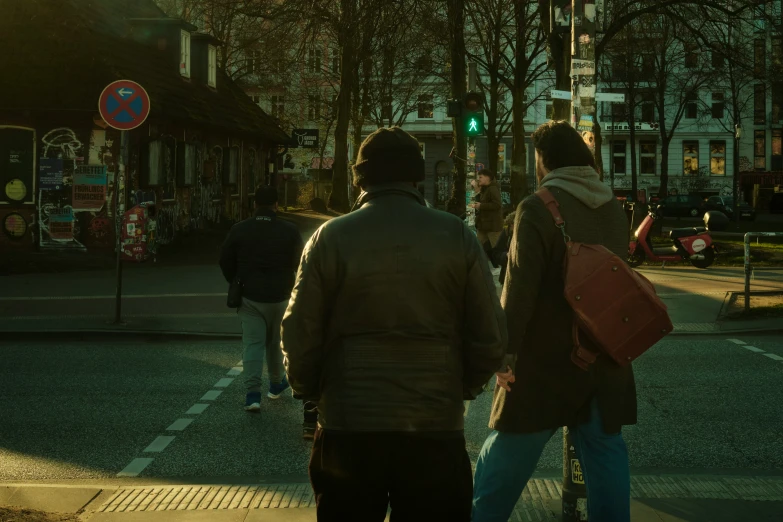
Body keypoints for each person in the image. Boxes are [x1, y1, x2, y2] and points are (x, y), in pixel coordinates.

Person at [281, 126, 506, 522]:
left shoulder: (329, 237)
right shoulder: (456, 235)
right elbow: (489, 332)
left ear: (359, 178)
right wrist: (462, 386)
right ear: (416, 177)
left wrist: (313, 391)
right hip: (435, 425)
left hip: (349, 424)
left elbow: (299, 331)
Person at [472, 121, 636, 522]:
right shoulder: (613, 208)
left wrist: (504, 355)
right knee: (605, 454)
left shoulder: (538, 206)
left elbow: (519, 290)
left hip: (544, 364)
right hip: (603, 356)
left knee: (506, 455)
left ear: (544, 161)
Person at [219, 186, 304, 413]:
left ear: (254, 204)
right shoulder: (290, 230)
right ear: (277, 204)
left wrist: (236, 280)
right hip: (281, 295)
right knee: (276, 343)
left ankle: (252, 395)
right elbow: (300, 262)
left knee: (253, 345)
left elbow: (225, 259)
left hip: (250, 295)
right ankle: (276, 384)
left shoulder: (240, 229)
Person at [470, 169, 503, 249]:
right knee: (477, 248)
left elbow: (497, 205)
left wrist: (481, 206)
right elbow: (480, 203)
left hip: (492, 227)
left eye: (480, 177)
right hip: (484, 226)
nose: (478, 179)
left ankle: (499, 261)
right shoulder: (485, 189)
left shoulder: (493, 189)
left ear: (487, 178)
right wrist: (477, 191)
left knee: (496, 249)